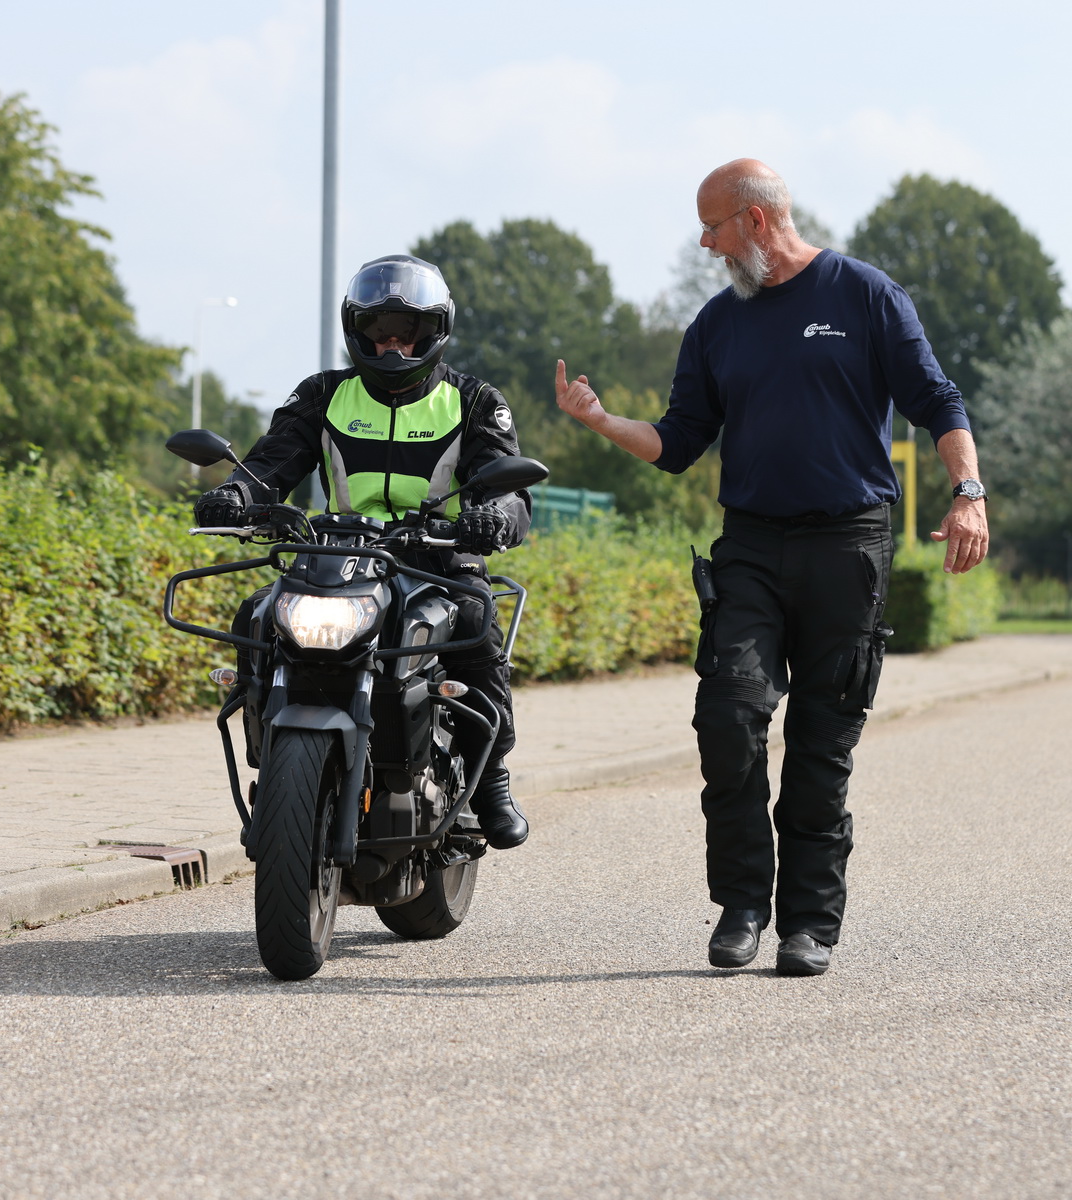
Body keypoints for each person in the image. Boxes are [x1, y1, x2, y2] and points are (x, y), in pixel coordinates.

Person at [555, 159, 988, 976]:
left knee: (822, 745)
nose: (706, 243)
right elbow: (680, 442)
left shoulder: (865, 296)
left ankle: (809, 924)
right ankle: (744, 903)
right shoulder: (718, 324)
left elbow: (939, 401)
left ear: (756, 223)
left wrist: (969, 492)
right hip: (750, 546)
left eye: (713, 226)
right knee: (728, 714)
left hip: (848, 545)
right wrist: (603, 419)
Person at [194, 254, 532, 849]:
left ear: (436, 331)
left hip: (435, 558)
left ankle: (491, 778)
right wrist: (235, 493)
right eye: (379, 333)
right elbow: (271, 464)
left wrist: (492, 518)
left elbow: (509, 490)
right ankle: (273, 763)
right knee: (255, 614)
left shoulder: (474, 401)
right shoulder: (323, 394)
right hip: (334, 553)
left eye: (408, 333)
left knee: (476, 620)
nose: (393, 347)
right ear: (357, 332)